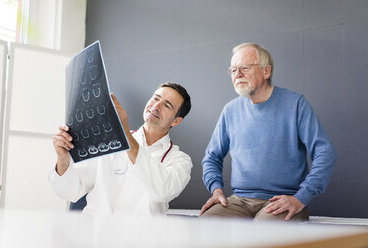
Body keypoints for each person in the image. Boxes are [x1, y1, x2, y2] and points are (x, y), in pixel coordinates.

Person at [200, 43, 337, 221]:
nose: (237, 74)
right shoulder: (230, 110)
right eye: (233, 70)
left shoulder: (295, 104)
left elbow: (325, 153)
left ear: (266, 72)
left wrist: (300, 198)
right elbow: (211, 157)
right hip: (239, 200)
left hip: (282, 200)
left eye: (244, 68)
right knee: (205, 225)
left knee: (263, 235)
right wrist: (216, 189)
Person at [50, 82, 192, 215]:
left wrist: (124, 135)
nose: (156, 106)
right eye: (156, 98)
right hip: (95, 234)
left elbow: (163, 191)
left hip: (140, 238)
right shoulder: (108, 140)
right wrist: (63, 158)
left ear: (176, 121)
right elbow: (70, 191)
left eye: (167, 105)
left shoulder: (180, 160)